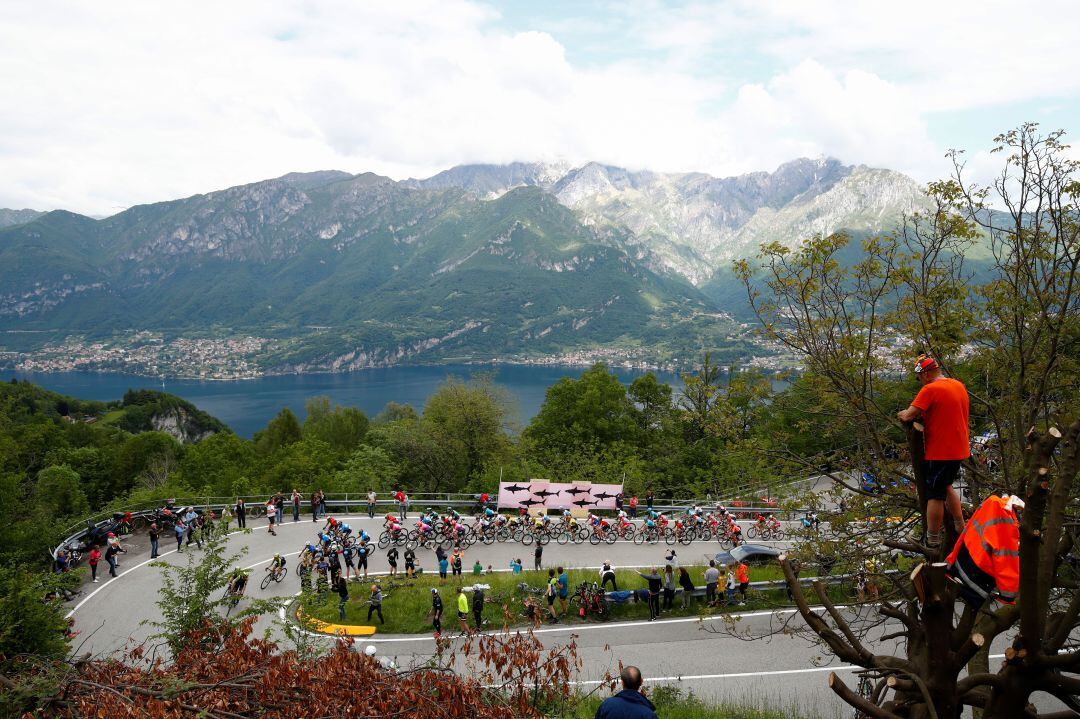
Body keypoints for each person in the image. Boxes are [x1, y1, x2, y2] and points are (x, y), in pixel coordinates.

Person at [897, 354, 970, 549]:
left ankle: (931, 539)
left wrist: (902, 414)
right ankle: (959, 525)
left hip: (941, 450)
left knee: (934, 494)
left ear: (926, 374)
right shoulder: (957, 385)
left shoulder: (930, 389)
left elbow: (908, 415)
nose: (919, 381)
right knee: (946, 485)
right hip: (959, 447)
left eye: (919, 377)